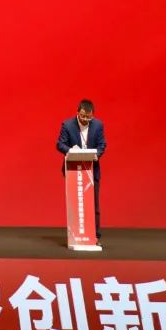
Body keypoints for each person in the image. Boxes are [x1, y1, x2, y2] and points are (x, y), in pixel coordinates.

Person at [56, 99, 107, 241]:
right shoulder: (67, 125)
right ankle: (75, 235)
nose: (85, 119)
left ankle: (95, 236)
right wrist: (70, 150)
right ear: (77, 112)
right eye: (82, 116)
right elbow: (60, 144)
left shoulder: (98, 125)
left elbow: (102, 144)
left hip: (92, 170)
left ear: (92, 115)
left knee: (93, 205)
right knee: (75, 204)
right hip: (73, 170)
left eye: (88, 117)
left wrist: (97, 154)